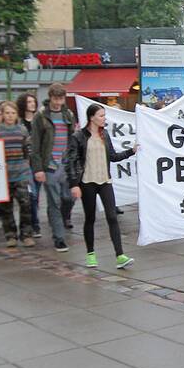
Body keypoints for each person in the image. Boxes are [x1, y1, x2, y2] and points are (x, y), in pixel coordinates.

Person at [66, 103, 136, 269]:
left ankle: (120, 255)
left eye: (104, 115)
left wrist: (130, 152)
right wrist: (74, 184)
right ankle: (90, 254)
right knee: (90, 218)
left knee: (112, 217)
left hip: (105, 181)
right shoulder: (78, 136)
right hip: (87, 182)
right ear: (92, 118)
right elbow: (71, 161)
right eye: (101, 116)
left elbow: (112, 156)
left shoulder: (105, 134)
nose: (104, 119)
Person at [31, 83, 77, 252]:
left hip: (66, 164)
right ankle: (59, 237)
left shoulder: (68, 114)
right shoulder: (41, 116)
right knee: (54, 202)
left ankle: (60, 219)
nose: (58, 102)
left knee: (69, 197)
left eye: (61, 99)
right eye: (55, 99)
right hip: (49, 164)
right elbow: (35, 144)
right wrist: (38, 169)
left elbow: (72, 137)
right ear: (50, 98)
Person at [0, 101, 35, 247]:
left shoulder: (22, 130)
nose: (10, 116)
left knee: (26, 205)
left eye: (13, 113)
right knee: (6, 208)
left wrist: (27, 164)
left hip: (21, 173)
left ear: (17, 115)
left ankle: (26, 234)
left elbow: (27, 149)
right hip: (4, 175)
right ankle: (10, 235)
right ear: (2, 114)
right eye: (7, 113)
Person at [16, 92, 42, 238]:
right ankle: (34, 224)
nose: (32, 104)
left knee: (36, 195)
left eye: (33, 101)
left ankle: (33, 221)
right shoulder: (19, 123)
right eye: (29, 102)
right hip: (25, 163)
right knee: (30, 195)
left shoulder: (39, 120)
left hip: (37, 163)